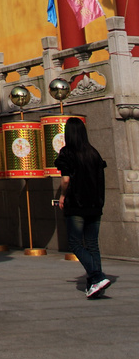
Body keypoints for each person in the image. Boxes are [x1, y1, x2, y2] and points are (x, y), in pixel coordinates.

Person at [56, 117, 109, 298]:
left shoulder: (67, 153)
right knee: (92, 244)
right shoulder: (93, 153)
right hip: (95, 204)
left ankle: (97, 276)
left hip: (77, 204)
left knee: (75, 243)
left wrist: (63, 196)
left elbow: (65, 180)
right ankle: (95, 284)